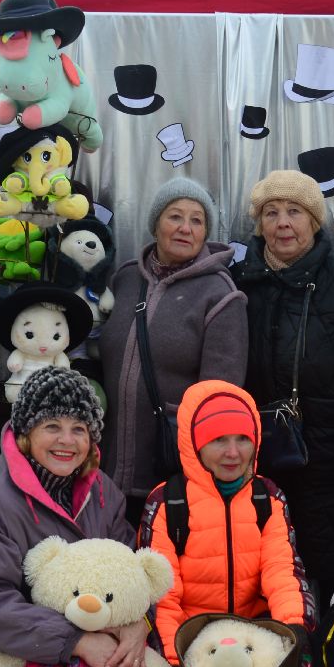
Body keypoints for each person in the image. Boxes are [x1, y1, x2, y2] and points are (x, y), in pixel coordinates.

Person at [233, 170, 334, 608]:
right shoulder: (239, 282)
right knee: (262, 571)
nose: (283, 223)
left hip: (330, 464)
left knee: (329, 571)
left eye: (294, 212)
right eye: (272, 213)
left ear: (314, 222)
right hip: (253, 460)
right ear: (259, 224)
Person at [0, 367, 144, 667]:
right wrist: (78, 642)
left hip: (85, 628)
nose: (67, 440)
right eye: (52, 427)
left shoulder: (102, 490)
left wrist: (137, 624)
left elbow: (130, 570)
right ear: (25, 433)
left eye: (79, 429)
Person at [98, 177, 247, 519]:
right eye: (174, 216)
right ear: (156, 223)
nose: (185, 228)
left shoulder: (220, 294)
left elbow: (220, 394)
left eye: (197, 220)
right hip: (104, 470)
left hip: (170, 476)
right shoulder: (125, 278)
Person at [138, 380, 312, 664]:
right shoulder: (167, 502)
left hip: (253, 636)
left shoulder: (267, 497)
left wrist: (293, 630)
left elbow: (282, 571)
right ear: (195, 444)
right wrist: (175, 662)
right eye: (219, 440)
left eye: (242, 439)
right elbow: (161, 597)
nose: (233, 453)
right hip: (192, 640)